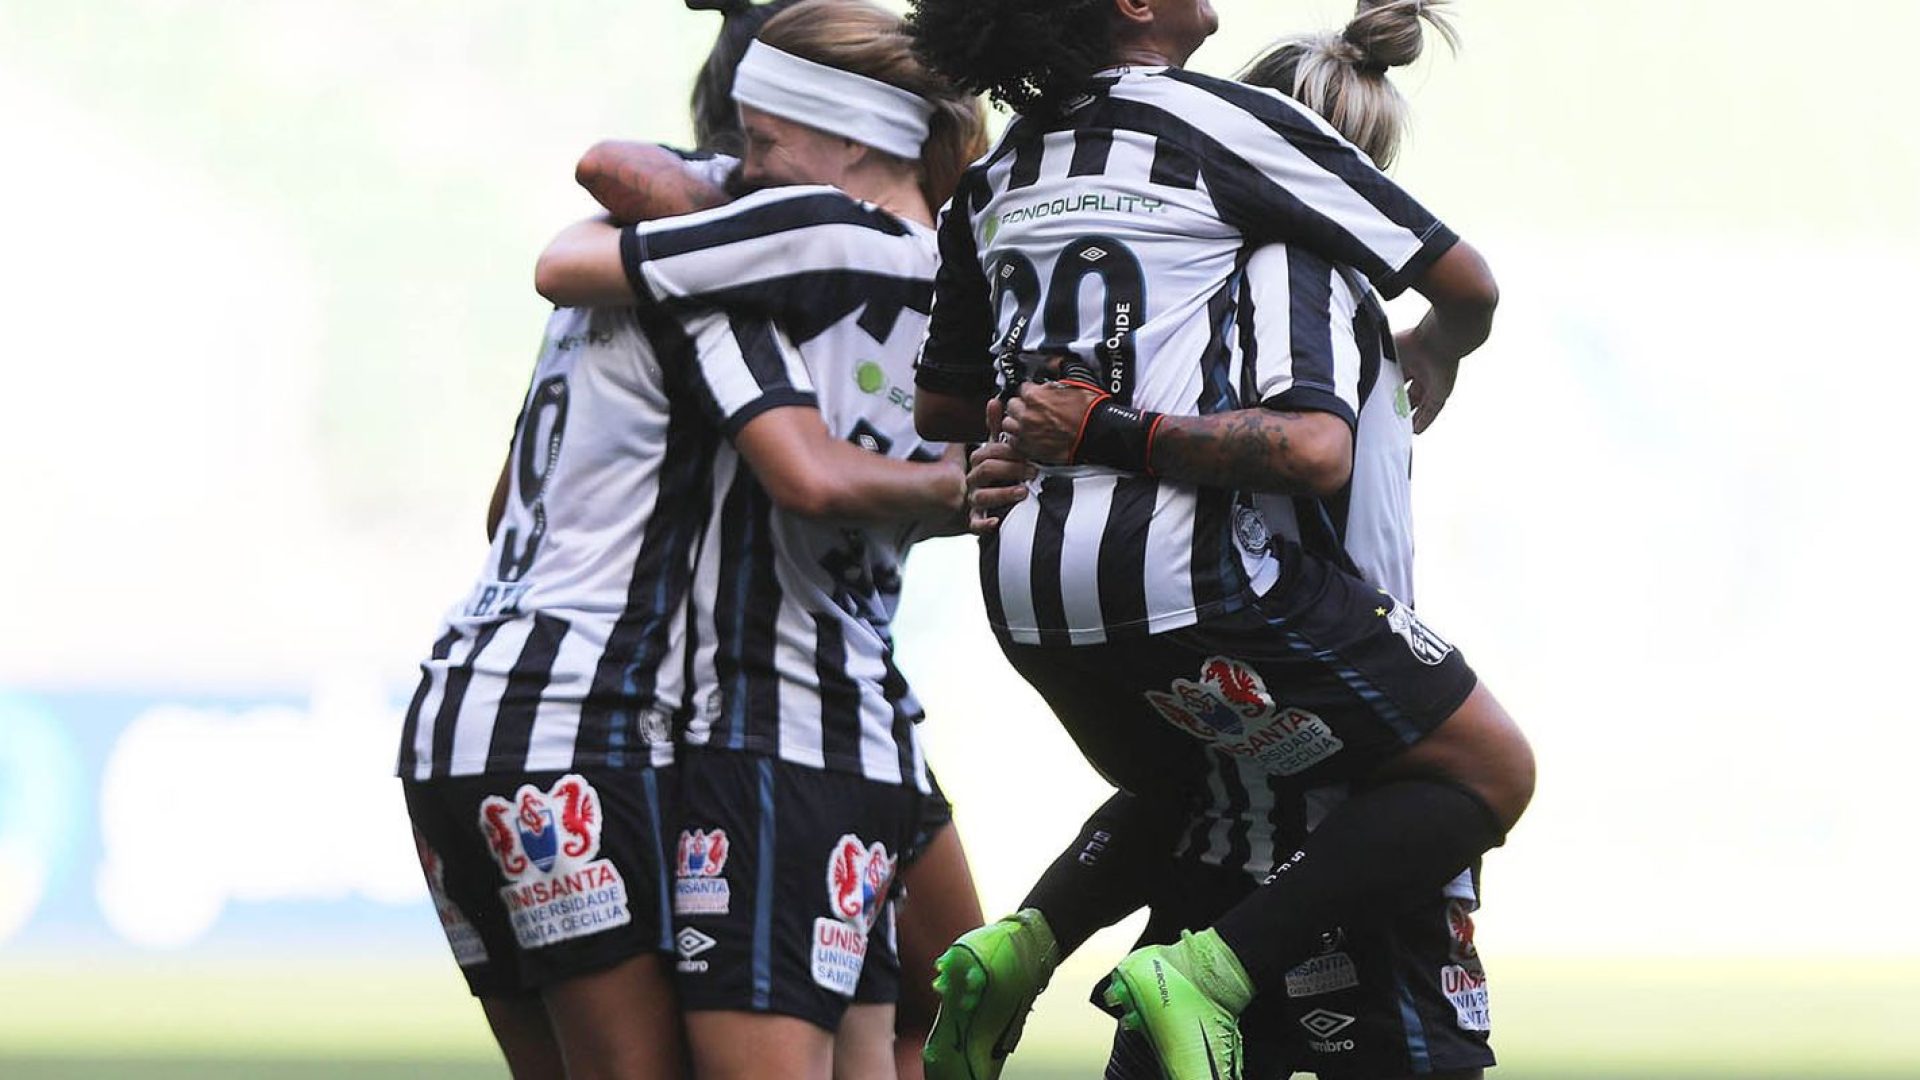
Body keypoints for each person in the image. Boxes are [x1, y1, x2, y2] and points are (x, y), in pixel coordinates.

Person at [904, 0, 1534, 1076]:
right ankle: (1204, 970)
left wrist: (1028, 433)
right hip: (1238, 650)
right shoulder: (1286, 242)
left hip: (1036, 590)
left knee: (1196, 780)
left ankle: (1035, 940)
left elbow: (945, 410)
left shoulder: (1006, 175)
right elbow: (1319, 448)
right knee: (1481, 770)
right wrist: (1442, 342)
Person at [533, 2, 987, 1076]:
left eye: (762, 141)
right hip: (861, 711)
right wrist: (958, 486)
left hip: (770, 723)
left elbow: (569, 250)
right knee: (911, 1023)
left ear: (852, 138)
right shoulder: (970, 278)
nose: (745, 165)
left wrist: (705, 194)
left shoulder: (804, 231)